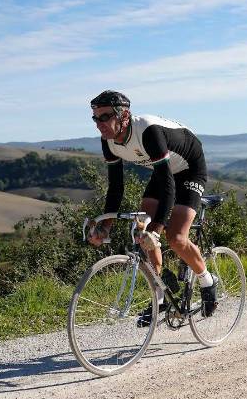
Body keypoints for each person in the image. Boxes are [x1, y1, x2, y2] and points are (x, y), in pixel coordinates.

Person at [86, 90, 217, 326]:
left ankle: (207, 280)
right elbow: (116, 188)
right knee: (140, 231)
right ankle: (160, 297)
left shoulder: (148, 131)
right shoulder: (108, 141)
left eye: (104, 117)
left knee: (175, 237)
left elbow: (168, 185)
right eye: (95, 118)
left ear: (123, 115)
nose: (99, 124)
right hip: (162, 171)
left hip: (189, 168)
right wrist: (106, 226)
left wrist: (156, 230)